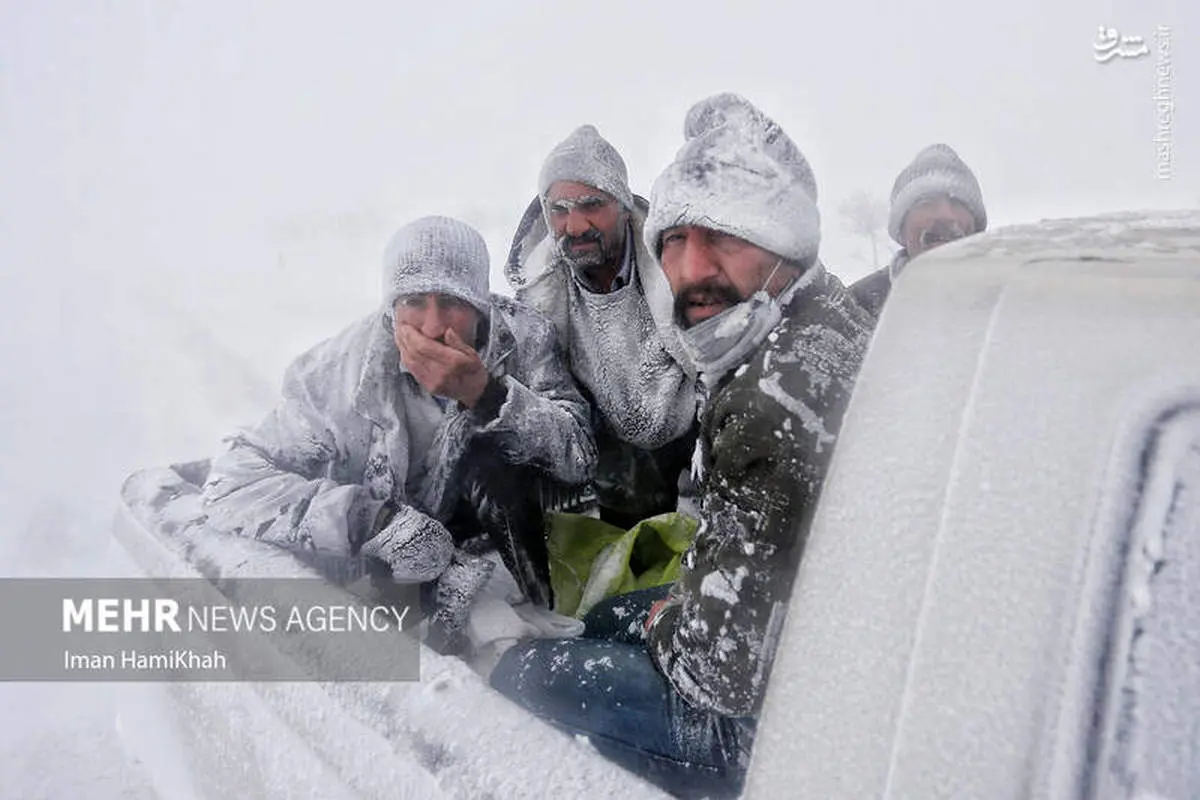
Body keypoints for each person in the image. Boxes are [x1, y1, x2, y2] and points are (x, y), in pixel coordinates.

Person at [490, 94, 876, 798]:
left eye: (723, 236)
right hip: (808, 618)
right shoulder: (815, 313)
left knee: (524, 671)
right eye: (676, 239)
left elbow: (721, 675)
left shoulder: (769, 400)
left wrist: (676, 621)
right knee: (605, 616)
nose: (692, 268)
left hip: (781, 725)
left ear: (785, 236)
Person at [201, 216, 597, 653]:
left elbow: (577, 457)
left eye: (452, 302)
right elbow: (231, 482)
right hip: (380, 575)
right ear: (391, 307)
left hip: (496, 558)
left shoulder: (524, 338)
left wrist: (487, 395)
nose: (431, 326)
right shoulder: (335, 376)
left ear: (481, 306)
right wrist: (371, 521)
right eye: (413, 301)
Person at [505, 125, 699, 528]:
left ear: (623, 205)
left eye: (591, 204)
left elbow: (720, 366)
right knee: (635, 554)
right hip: (615, 453)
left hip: (691, 427)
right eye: (559, 210)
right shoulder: (540, 293)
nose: (574, 226)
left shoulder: (677, 266)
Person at [850, 143, 987, 317]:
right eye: (925, 202)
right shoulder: (857, 310)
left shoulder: (1010, 299)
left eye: (958, 202)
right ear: (902, 227)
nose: (946, 215)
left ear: (976, 226)